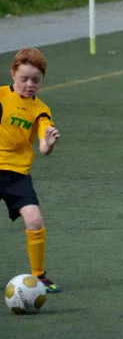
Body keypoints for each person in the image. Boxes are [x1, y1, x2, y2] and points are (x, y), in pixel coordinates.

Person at [0, 47, 60, 293]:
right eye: (24, 78)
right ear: (12, 74)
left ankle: (39, 276)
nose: (29, 84)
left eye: (35, 80)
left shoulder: (41, 109)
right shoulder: (2, 96)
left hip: (17, 176)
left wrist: (47, 143)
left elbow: (44, 147)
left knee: (34, 220)